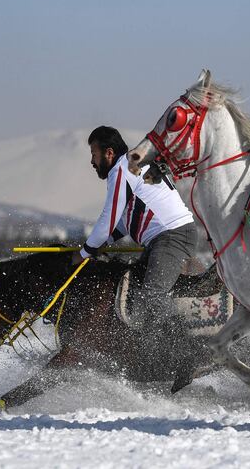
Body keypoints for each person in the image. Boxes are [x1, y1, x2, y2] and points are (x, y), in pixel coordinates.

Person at [73, 126, 197, 354]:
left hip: (172, 236)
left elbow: (108, 217)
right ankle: (149, 349)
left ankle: (187, 350)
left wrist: (84, 253)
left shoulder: (122, 169)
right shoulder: (128, 167)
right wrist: (105, 242)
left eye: (94, 154)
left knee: (152, 293)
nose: (92, 161)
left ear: (109, 153)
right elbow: (123, 221)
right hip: (162, 239)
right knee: (135, 291)